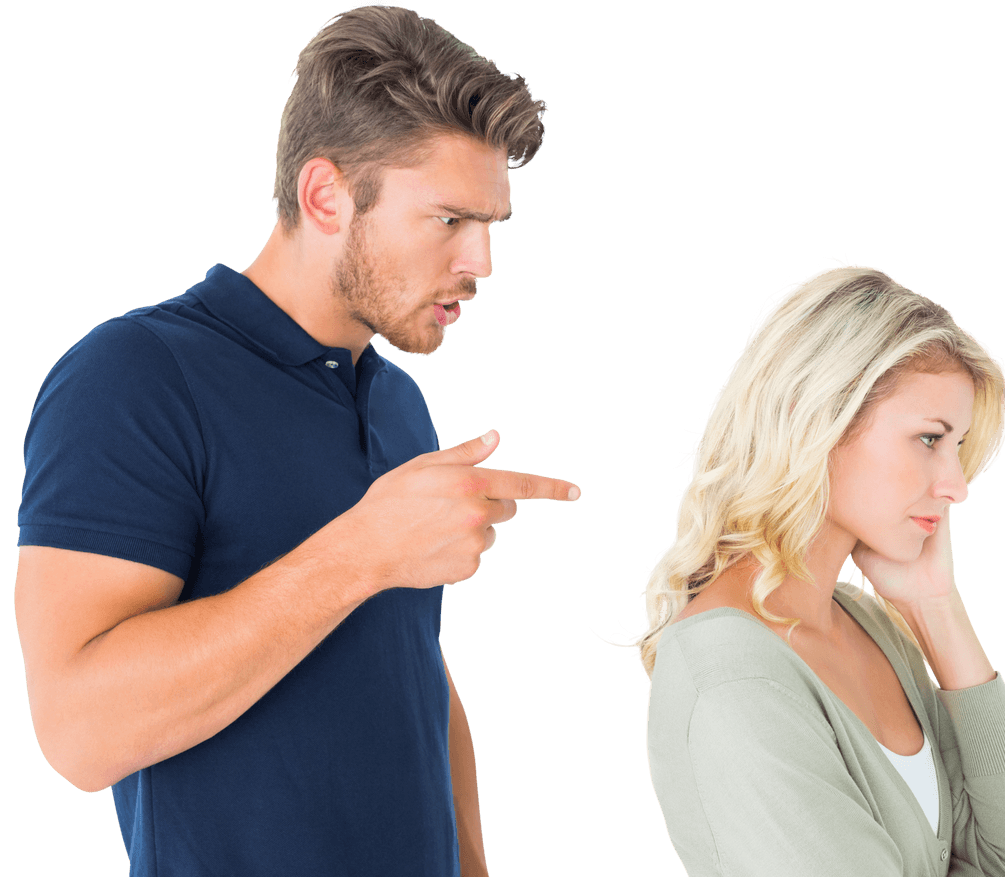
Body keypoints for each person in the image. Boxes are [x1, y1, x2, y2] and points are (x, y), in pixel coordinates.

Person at [14, 5, 580, 876]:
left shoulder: (396, 404)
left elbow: (411, 659)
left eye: (491, 227)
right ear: (325, 196)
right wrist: (361, 551)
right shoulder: (133, 376)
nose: (482, 262)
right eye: (449, 220)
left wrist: (470, 858)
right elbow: (78, 731)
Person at [638, 265, 1005, 876]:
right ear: (821, 420)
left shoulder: (869, 623)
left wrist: (934, 607)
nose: (955, 486)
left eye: (957, 447)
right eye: (928, 439)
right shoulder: (731, 674)